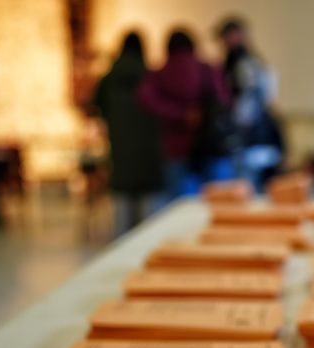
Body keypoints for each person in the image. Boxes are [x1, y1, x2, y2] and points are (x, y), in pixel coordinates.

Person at [138, 29, 230, 199]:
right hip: (211, 144)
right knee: (218, 203)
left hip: (177, 147)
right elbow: (224, 100)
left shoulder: (161, 73)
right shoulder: (207, 70)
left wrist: (180, 114)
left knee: (181, 208)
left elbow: (145, 99)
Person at [93, 32, 164, 236]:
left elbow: (97, 108)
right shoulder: (150, 76)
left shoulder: (108, 78)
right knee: (147, 226)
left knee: (122, 224)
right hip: (148, 153)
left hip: (120, 151)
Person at [216, 17, 284, 189]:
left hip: (249, 136)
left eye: (227, 36)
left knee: (247, 186)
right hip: (251, 134)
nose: (224, 42)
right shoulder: (245, 61)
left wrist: (237, 129)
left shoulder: (243, 62)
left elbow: (251, 100)